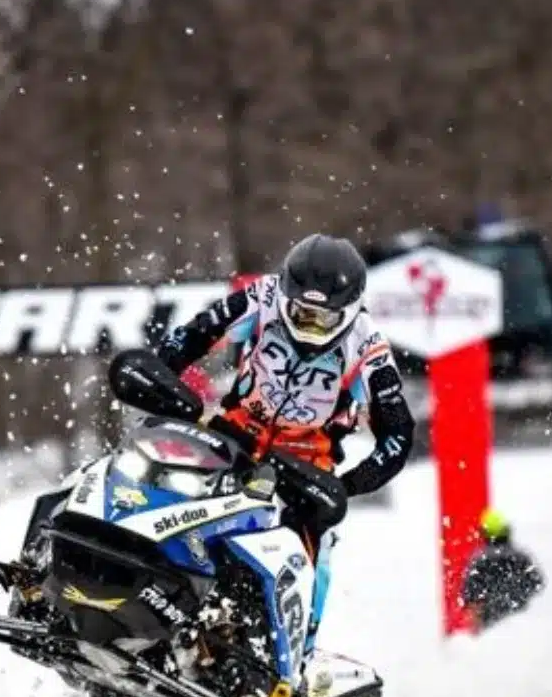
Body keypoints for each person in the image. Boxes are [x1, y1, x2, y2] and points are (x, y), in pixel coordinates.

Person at [153, 233, 415, 661]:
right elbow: (192, 336)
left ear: (349, 312)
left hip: (304, 467)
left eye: (323, 319)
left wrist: (346, 486)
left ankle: (294, 662)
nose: (310, 327)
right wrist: (165, 380)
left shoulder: (369, 348)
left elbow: (399, 434)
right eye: (301, 314)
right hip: (231, 436)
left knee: (312, 555)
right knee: (166, 487)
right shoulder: (261, 297)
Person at [458, 509, 544, 630]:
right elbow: (538, 590)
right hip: (525, 630)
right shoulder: (522, 558)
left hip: (491, 633)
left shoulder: (480, 562)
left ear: (484, 534)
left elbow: (472, 605)